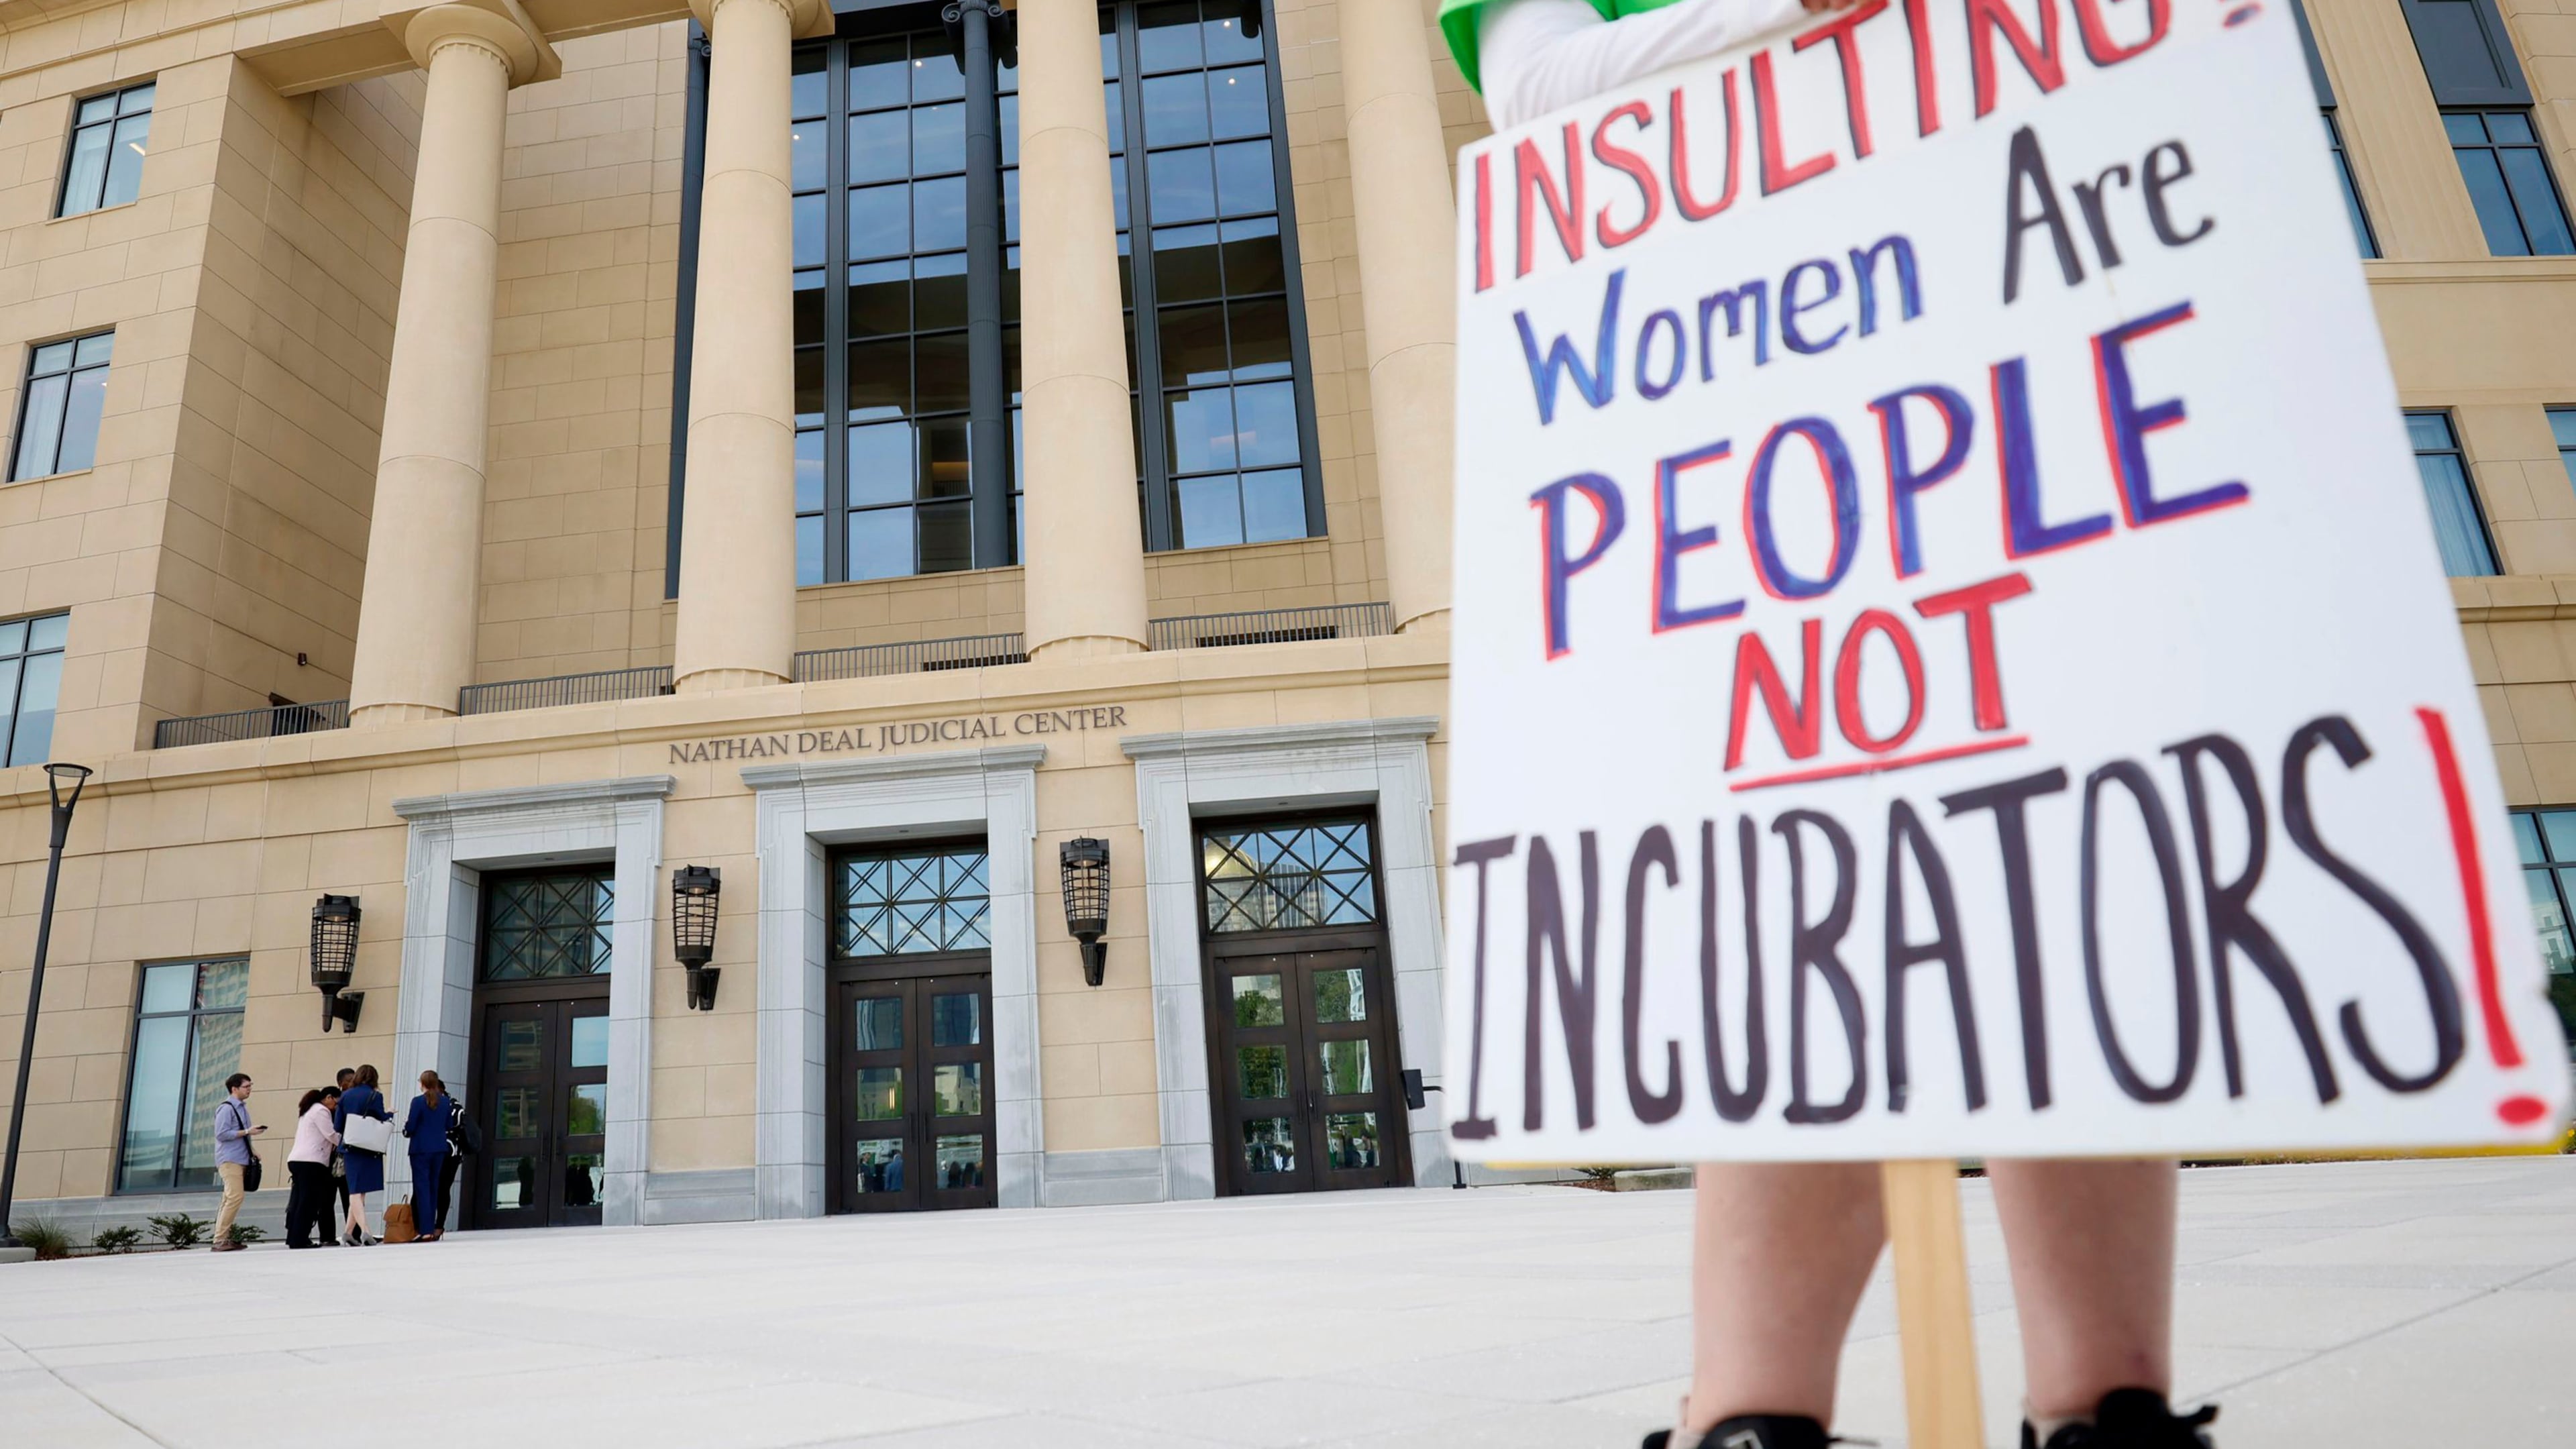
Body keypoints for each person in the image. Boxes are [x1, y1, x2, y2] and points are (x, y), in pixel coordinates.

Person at [1433, 5, 2214, 1448]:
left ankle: (2109, 1410)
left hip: (2011, 367)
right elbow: (1535, 100)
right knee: (1812, 917)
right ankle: (1752, 1420)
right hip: (1742, 418)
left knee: (2059, 892)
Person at [210, 1072, 264, 1252]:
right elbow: (222, 1134)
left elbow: (241, 1134)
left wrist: (253, 1150)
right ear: (234, 1089)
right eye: (246, 1086)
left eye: (250, 1086)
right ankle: (220, 1240)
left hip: (240, 1158)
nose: (250, 1089)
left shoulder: (241, 1108)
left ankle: (222, 1238)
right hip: (230, 1159)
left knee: (229, 1198)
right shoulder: (226, 1108)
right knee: (235, 1197)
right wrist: (247, 1132)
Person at [402, 1070, 459, 1242]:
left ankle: (425, 1229)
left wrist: (406, 1128)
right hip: (440, 1148)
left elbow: (410, 1127)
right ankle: (432, 1228)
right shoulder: (445, 1102)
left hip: (420, 1149)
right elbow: (449, 1124)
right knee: (434, 1187)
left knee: (422, 1188)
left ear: (423, 1083)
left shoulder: (418, 1102)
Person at [337, 1064, 390, 1245]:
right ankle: (366, 1231)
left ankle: (348, 1233)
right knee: (358, 1191)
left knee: (356, 1189)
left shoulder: (346, 1096)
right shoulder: (376, 1095)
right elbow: (382, 1117)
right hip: (369, 1147)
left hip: (351, 1146)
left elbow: (338, 1125)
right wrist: (389, 1114)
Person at [285, 1086, 341, 1249]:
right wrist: (347, 1142)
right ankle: (300, 1240)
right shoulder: (321, 1111)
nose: (335, 1108)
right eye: (336, 1103)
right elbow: (330, 1134)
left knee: (299, 1201)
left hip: (298, 1160)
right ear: (329, 1097)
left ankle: (295, 1237)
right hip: (311, 1161)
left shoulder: (308, 1110)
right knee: (308, 1202)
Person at [332, 1066, 356, 1230]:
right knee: (332, 1197)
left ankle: (355, 1231)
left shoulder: (352, 1099)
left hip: (348, 1151)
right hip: (336, 1155)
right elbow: (337, 1127)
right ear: (341, 1083)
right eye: (350, 1081)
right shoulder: (338, 1102)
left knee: (352, 1195)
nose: (353, 1083)